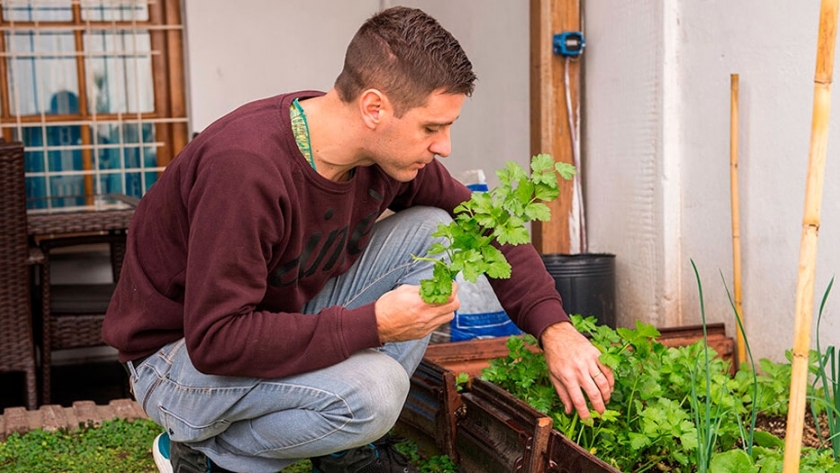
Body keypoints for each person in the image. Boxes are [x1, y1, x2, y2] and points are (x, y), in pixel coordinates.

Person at [102, 6, 614, 473]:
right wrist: (373, 325)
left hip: (269, 326)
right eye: (432, 127)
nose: (444, 146)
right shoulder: (246, 171)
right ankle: (210, 457)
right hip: (178, 360)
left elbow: (481, 221)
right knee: (377, 389)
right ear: (374, 108)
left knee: (436, 228)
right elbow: (217, 339)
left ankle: (343, 447)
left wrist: (554, 329)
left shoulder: (385, 157)